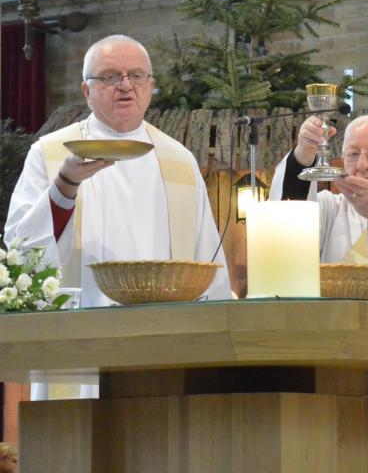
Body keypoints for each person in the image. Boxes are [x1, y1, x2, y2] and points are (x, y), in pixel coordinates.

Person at [4, 35, 232, 395]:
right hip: (77, 343)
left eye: (136, 76)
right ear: (86, 90)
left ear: (150, 86)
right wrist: (64, 185)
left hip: (163, 344)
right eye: (110, 77)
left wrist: (217, 338)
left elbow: (207, 261)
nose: (125, 86)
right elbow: (21, 252)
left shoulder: (179, 160)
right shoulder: (51, 153)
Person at [270, 113, 368, 396]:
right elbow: (286, 225)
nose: (362, 165)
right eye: (353, 154)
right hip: (334, 360)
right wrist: (304, 155)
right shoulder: (331, 208)